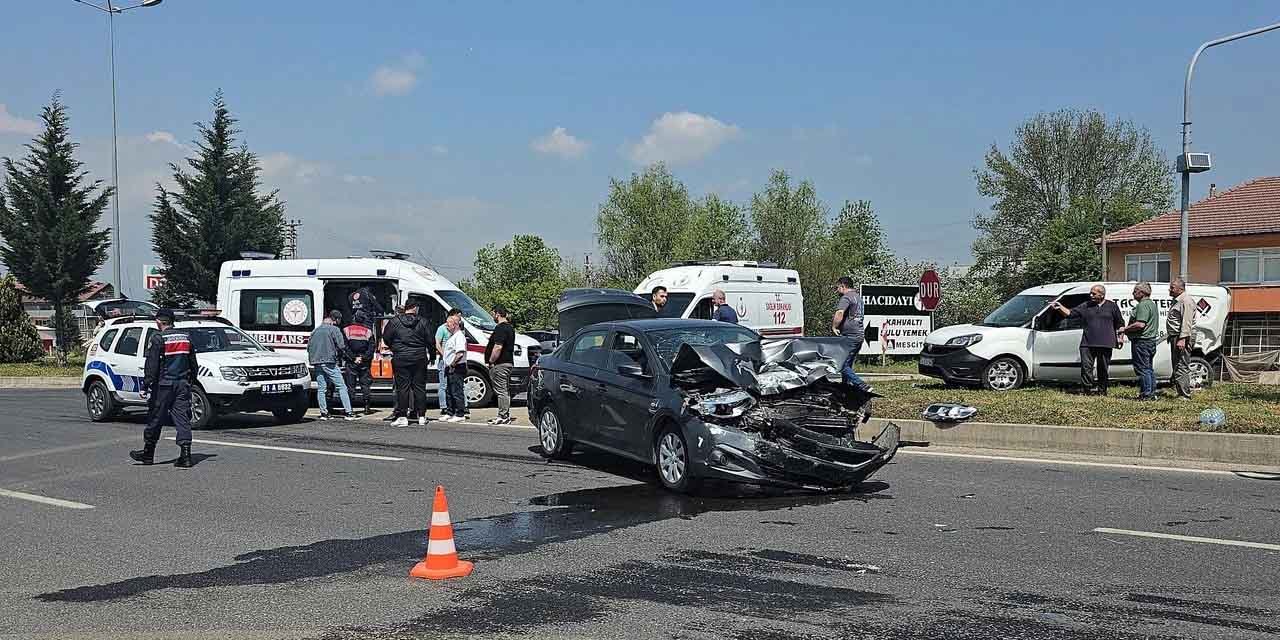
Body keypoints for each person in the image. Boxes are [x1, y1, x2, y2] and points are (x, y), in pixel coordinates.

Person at [130, 309, 198, 468]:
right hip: (182, 384)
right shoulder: (186, 337)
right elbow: (193, 363)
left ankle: (148, 453)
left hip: (163, 386)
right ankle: (186, 456)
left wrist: (146, 384)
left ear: (159, 322)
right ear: (172, 321)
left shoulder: (158, 338)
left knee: (155, 418)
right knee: (182, 418)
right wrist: (191, 381)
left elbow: (152, 365)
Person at [1050, 285, 1124, 395]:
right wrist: (1060, 307)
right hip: (1087, 343)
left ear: (1102, 294)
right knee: (1086, 367)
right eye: (1091, 293)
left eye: (1093, 293)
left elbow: (1120, 323)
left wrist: (1120, 338)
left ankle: (1102, 391)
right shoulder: (1086, 305)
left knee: (1103, 368)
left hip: (1106, 343)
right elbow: (1071, 314)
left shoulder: (1111, 306)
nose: (1091, 295)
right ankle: (1087, 390)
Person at [382, 299, 436, 426]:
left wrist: (395, 347)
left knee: (402, 388)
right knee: (419, 387)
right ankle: (421, 416)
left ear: (406, 307)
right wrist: (432, 356)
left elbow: (386, 337)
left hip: (401, 358)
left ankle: (402, 416)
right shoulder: (423, 321)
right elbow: (430, 341)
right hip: (419, 358)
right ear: (415, 308)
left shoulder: (395, 321)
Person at [309, 310, 358, 420]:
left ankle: (324, 413)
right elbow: (342, 346)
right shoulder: (334, 329)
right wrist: (352, 358)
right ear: (336, 319)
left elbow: (309, 347)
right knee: (342, 386)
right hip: (329, 362)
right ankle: (349, 412)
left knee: (322, 388)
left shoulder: (315, 331)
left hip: (316, 362)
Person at [1120, 282, 1160, 400]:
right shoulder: (1151, 304)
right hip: (1150, 341)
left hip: (1142, 341)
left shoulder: (1142, 305)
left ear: (1141, 293)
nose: (1133, 293)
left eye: (1135, 291)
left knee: (1142, 369)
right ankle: (1151, 393)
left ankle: (1146, 394)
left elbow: (1140, 324)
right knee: (1148, 369)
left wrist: (1125, 329)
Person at [832, 277, 870, 391]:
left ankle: (861, 385)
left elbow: (839, 313)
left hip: (850, 336)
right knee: (847, 365)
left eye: (838, 287)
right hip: (859, 335)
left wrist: (834, 326)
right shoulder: (858, 298)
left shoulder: (846, 297)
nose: (837, 290)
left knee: (841, 364)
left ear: (843, 286)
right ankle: (846, 389)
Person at [485, 305, 516, 425]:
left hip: (500, 363)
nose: (492, 316)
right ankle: (505, 414)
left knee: (501, 391)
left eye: (493, 313)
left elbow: (498, 347)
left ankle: (503, 415)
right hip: (507, 362)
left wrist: (491, 360)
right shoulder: (510, 328)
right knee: (504, 390)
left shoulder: (501, 328)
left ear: (497, 314)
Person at [1167, 277, 1197, 399]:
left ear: (1181, 288)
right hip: (1176, 336)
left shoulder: (1186, 300)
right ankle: (1181, 392)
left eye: (1172, 287)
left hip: (1182, 337)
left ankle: (1185, 395)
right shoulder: (1178, 300)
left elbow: (1187, 321)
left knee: (1181, 365)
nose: (1170, 290)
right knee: (1177, 365)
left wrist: (1182, 338)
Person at [344, 310, 377, 414]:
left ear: (354, 318)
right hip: (364, 362)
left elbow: (344, 347)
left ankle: (350, 408)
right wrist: (363, 357)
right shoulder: (368, 331)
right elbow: (372, 347)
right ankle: (367, 407)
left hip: (351, 362)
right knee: (365, 384)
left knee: (350, 385)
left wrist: (354, 358)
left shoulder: (346, 330)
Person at [442, 313, 469, 422]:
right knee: (449, 390)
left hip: (457, 366)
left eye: (448, 324)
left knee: (457, 391)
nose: (446, 326)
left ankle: (460, 413)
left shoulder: (459, 337)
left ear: (455, 325)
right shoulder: (453, 336)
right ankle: (450, 411)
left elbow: (460, 353)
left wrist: (452, 364)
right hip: (451, 366)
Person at [435, 309, 459, 419]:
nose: (459, 319)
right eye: (458, 316)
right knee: (443, 384)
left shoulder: (457, 329)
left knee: (455, 384)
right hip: (444, 360)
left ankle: (458, 406)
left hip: (454, 360)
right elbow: (437, 344)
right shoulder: (442, 328)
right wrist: (444, 356)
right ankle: (444, 406)